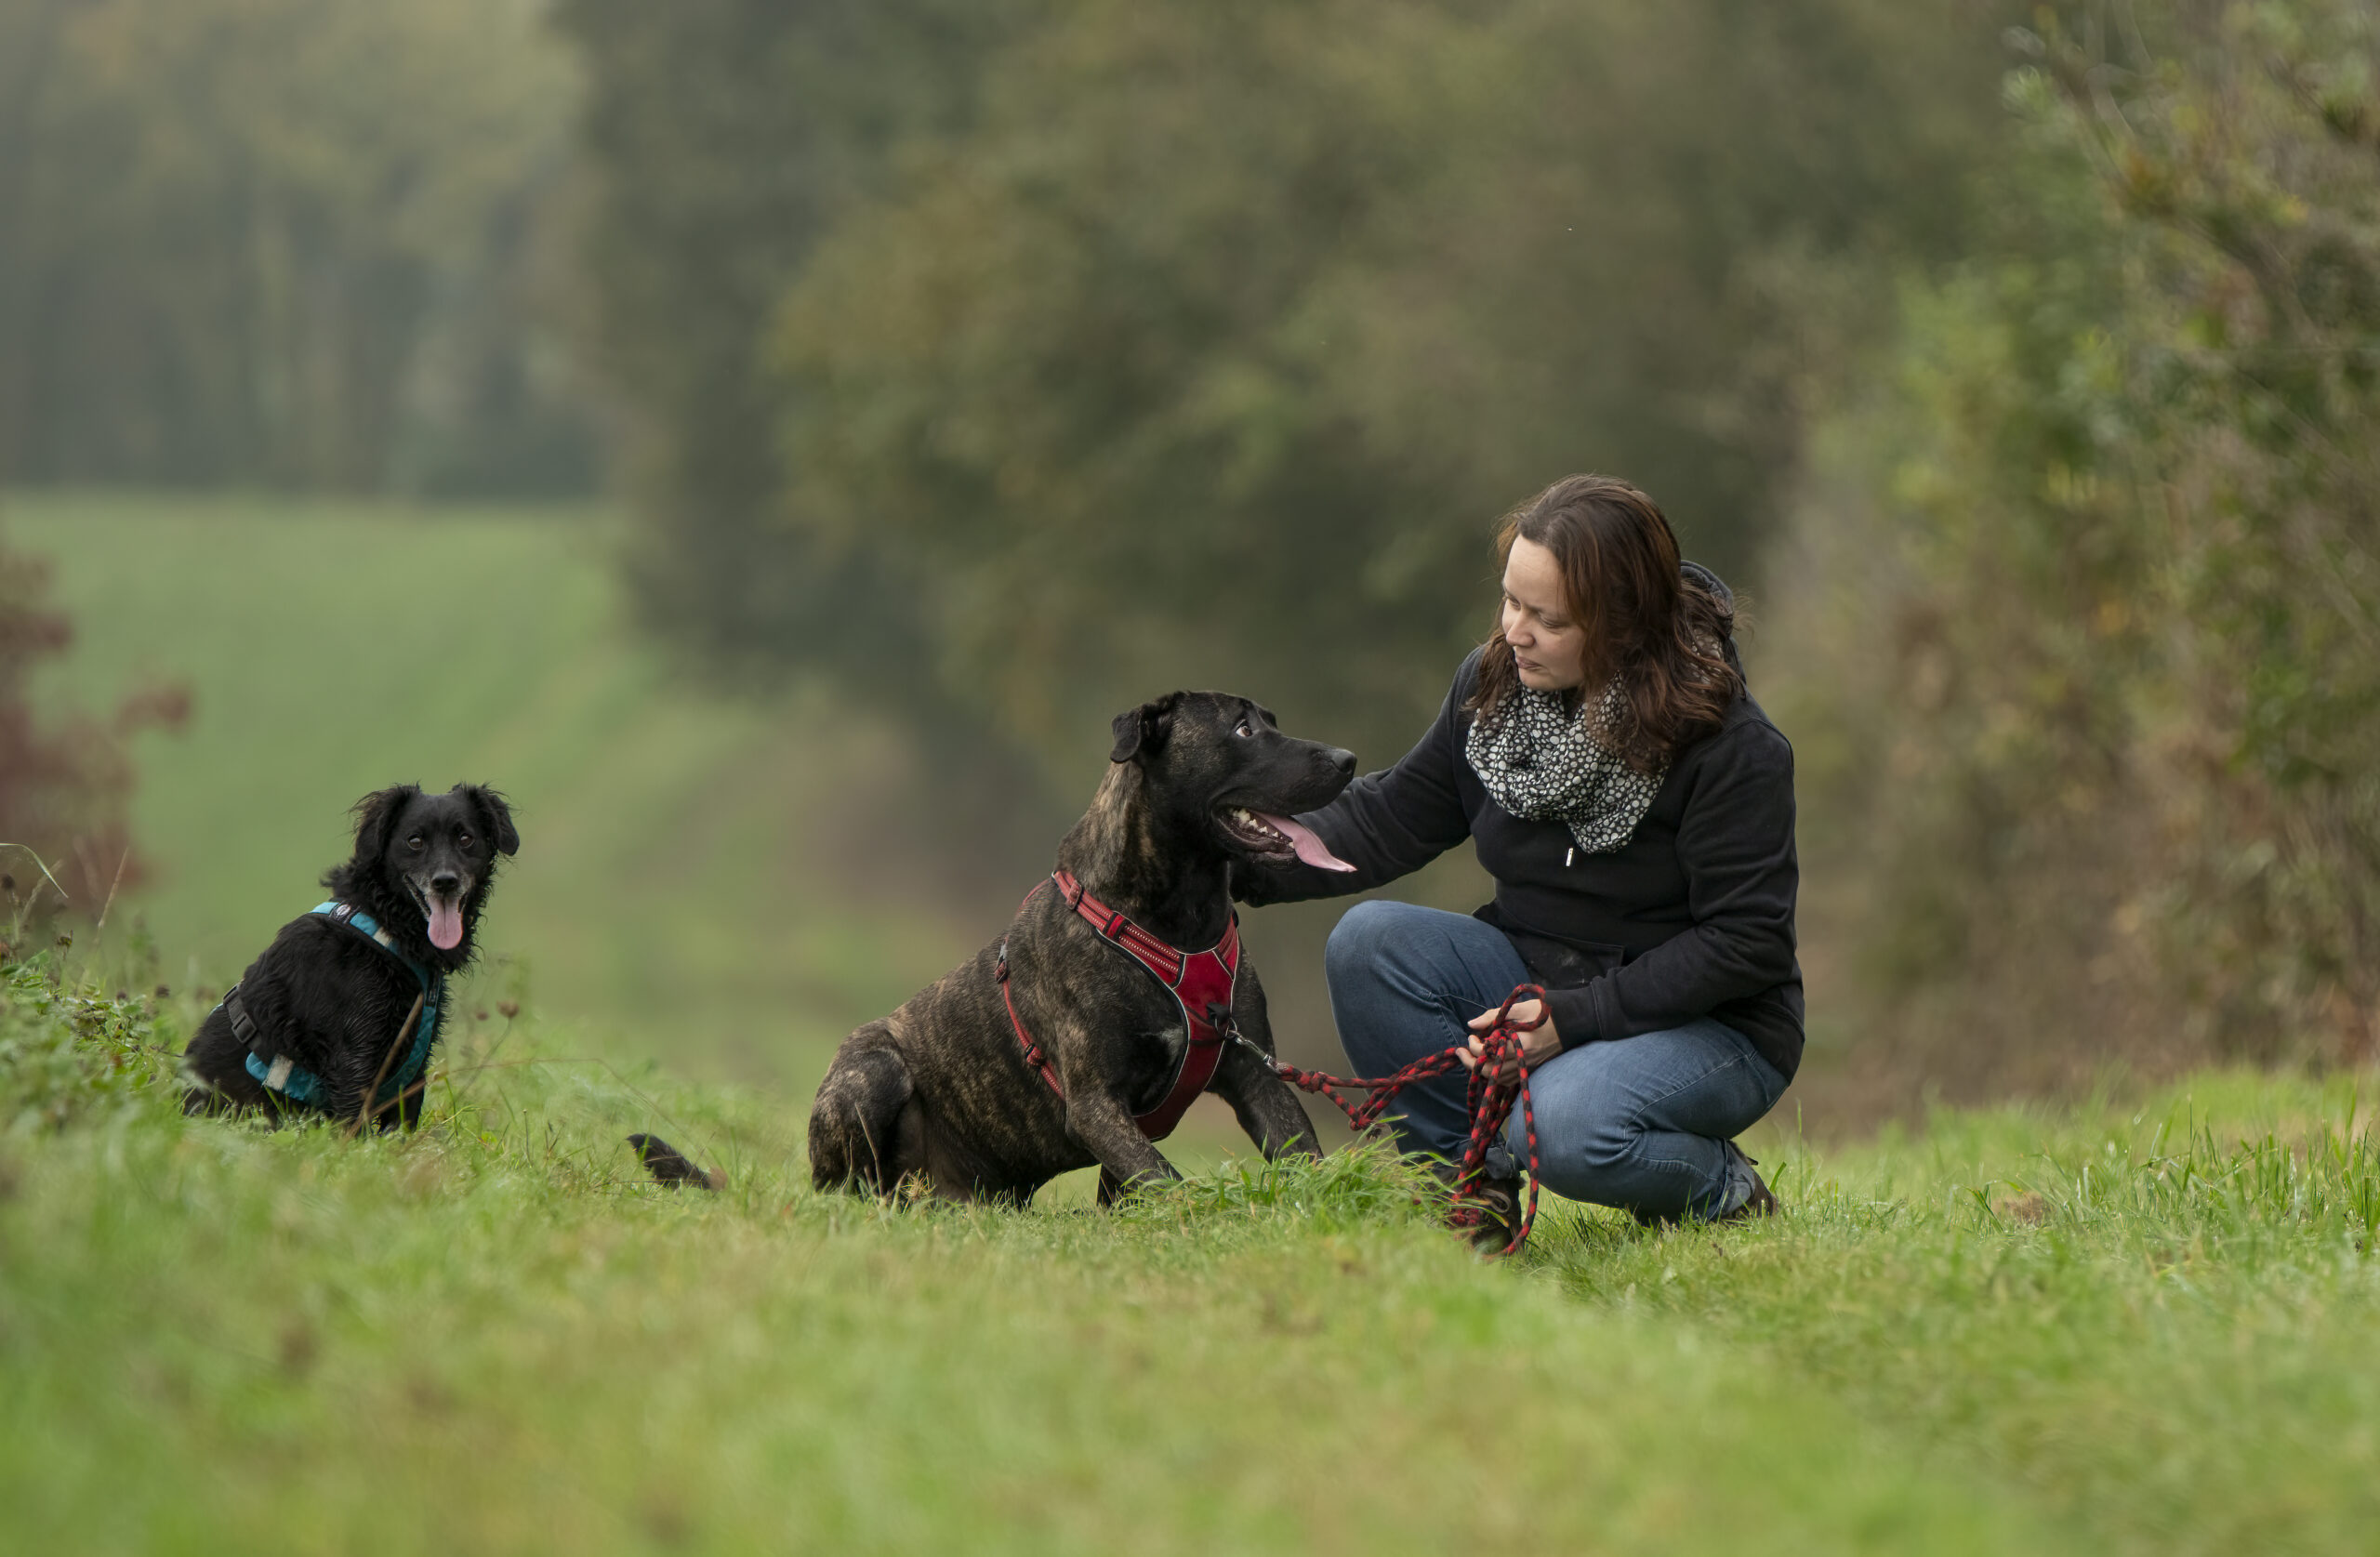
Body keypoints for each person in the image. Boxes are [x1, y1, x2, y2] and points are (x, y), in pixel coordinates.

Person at [1237, 473, 1800, 1237]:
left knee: (1555, 1127)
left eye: (1549, 618)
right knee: (1369, 944)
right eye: (1510, 601)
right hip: (1539, 978)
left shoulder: (1732, 747)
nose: (1514, 632)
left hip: (1710, 1025)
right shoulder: (1491, 689)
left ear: (1624, 624)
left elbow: (1746, 943)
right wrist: (1232, 858)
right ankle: (1469, 1191)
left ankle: (1723, 1187)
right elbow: (1389, 819)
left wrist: (1577, 1017)